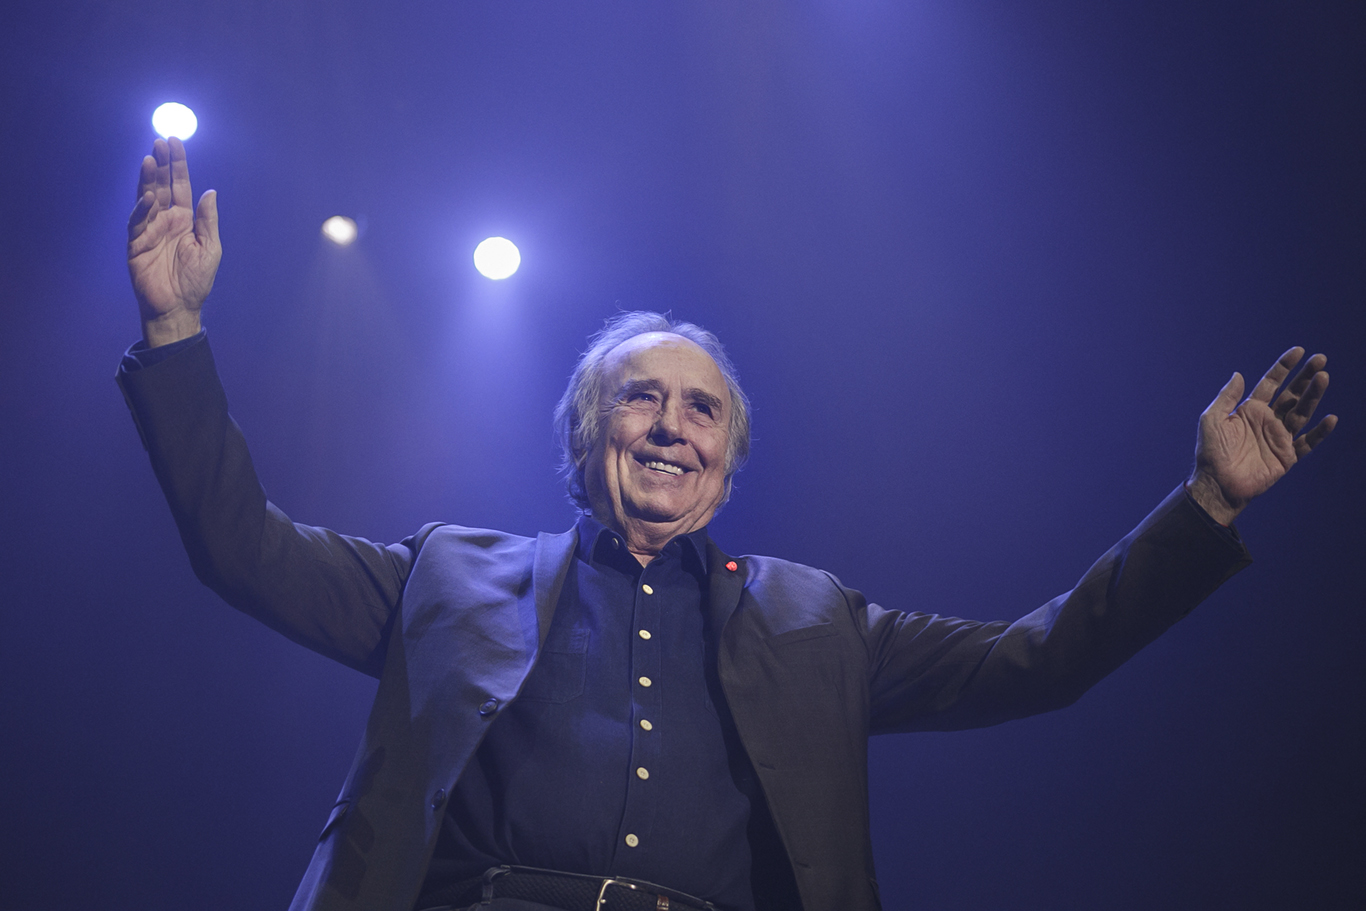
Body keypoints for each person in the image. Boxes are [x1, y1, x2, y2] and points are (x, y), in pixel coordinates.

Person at [119, 137, 1336, 911]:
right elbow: (240, 545)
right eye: (638, 396)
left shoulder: (820, 622)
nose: (670, 423)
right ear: (585, 437)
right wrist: (176, 331)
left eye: (701, 408)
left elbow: (1044, 656)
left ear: (727, 462)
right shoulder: (448, 572)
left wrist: (1206, 507)